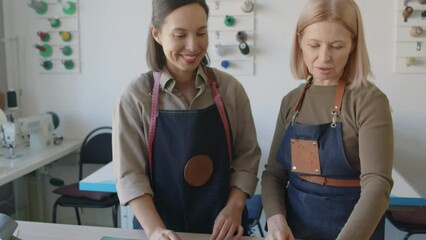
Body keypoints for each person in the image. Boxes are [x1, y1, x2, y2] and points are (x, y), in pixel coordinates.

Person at [112, 0, 261, 239]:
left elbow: (247, 157)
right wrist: (155, 230)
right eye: (180, 35)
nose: (193, 46)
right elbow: (131, 175)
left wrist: (235, 207)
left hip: (224, 229)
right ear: (157, 34)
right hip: (162, 229)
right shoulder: (136, 97)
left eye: (201, 32)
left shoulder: (229, 90)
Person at [261, 0, 393, 239]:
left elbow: (377, 185)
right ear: (299, 41)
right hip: (295, 229)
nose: (324, 58)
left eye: (337, 46)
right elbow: (274, 174)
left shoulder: (369, 101)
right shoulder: (291, 102)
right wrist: (275, 219)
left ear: (353, 45)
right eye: (314, 45)